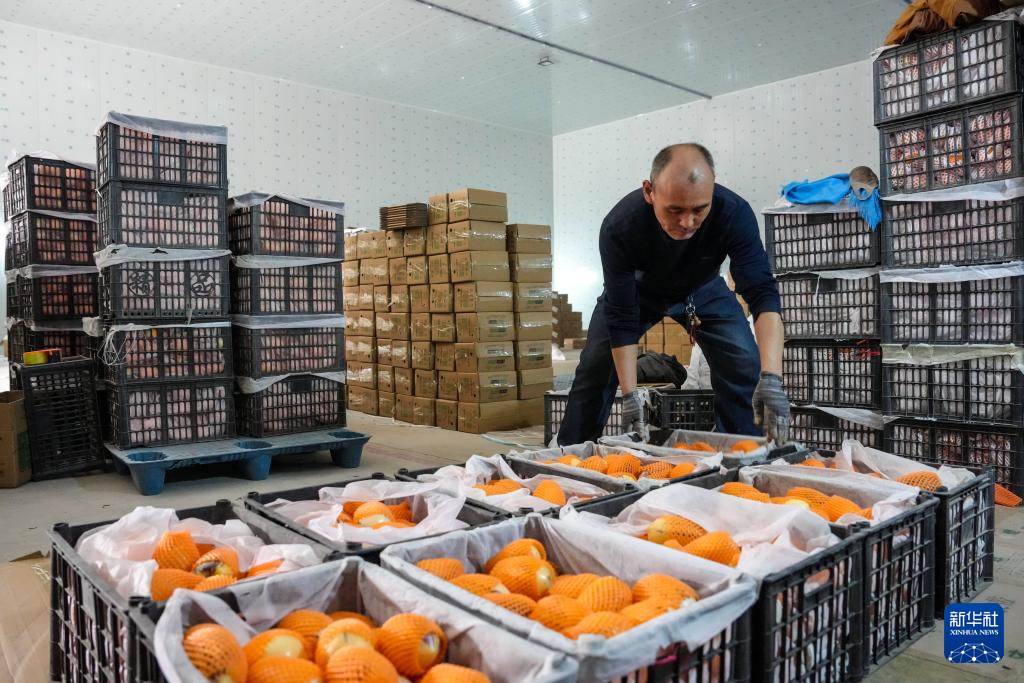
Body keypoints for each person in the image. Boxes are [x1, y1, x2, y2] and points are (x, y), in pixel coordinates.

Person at [556, 143, 790, 445]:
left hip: (703, 288)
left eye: (699, 210)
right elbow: (622, 317)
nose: (687, 223)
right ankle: (570, 454)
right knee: (595, 367)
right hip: (637, 292)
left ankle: (743, 452)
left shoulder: (734, 212)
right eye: (675, 210)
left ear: (712, 190)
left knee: (743, 360)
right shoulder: (620, 226)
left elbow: (763, 294)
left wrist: (771, 379)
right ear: (649, 192)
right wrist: (630, 396)